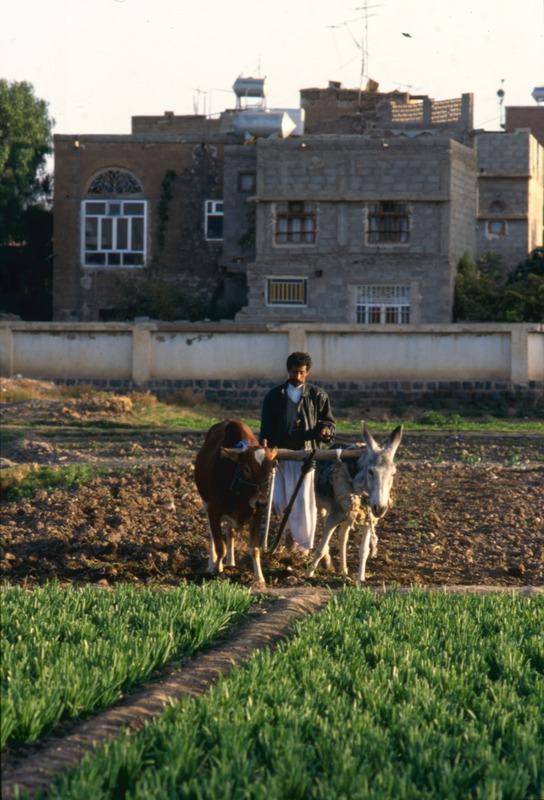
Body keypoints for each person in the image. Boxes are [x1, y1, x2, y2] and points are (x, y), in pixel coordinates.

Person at [260, 351, 335, 556]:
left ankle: (303, 548)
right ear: (288, 371)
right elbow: (266, 430)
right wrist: (268, 455)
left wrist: (325, 431)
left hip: (306, 456)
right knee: (278, 500)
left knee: (303, 502)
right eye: (295, 372)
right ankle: (288, 533)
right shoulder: (274, 396)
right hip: (280, 456)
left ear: (307, 372)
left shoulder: (318, 396)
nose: (298, 376)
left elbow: (328, 422)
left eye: (302, 372)